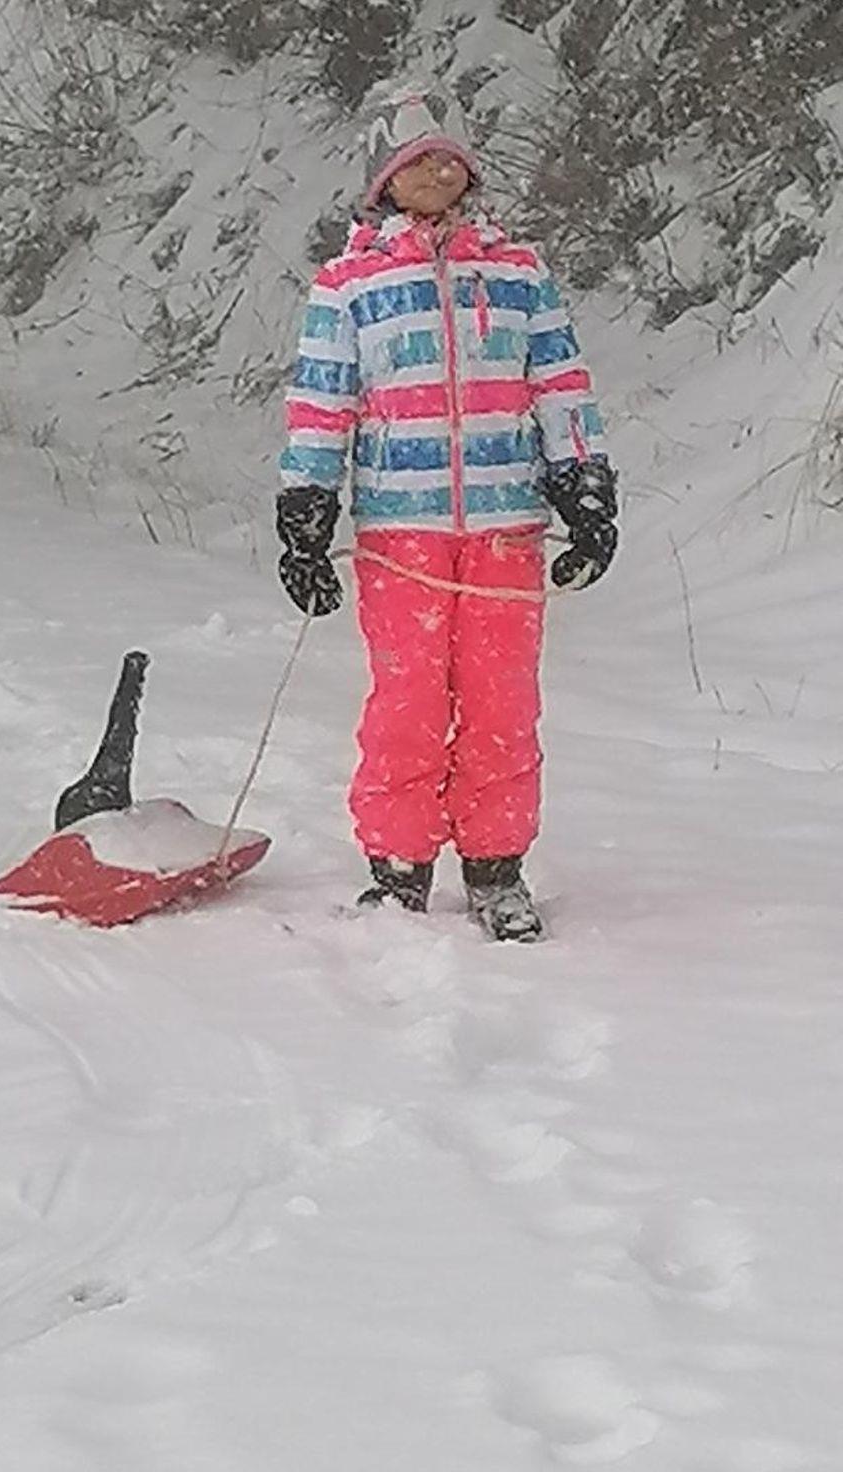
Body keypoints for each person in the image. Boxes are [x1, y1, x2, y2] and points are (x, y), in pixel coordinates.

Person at [275, 86, 619, 942]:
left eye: (450, 158)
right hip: (401, 534)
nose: (437, 171)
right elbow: (322, 405)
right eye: (417, 160)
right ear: (384, 181)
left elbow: (560, 385)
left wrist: (584, 487)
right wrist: (308, 511)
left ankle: (497, 867)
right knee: (409, 701)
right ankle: (399, 868)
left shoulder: (518, 273)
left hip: (505, 528)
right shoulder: (349, 285)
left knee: (502, 701)